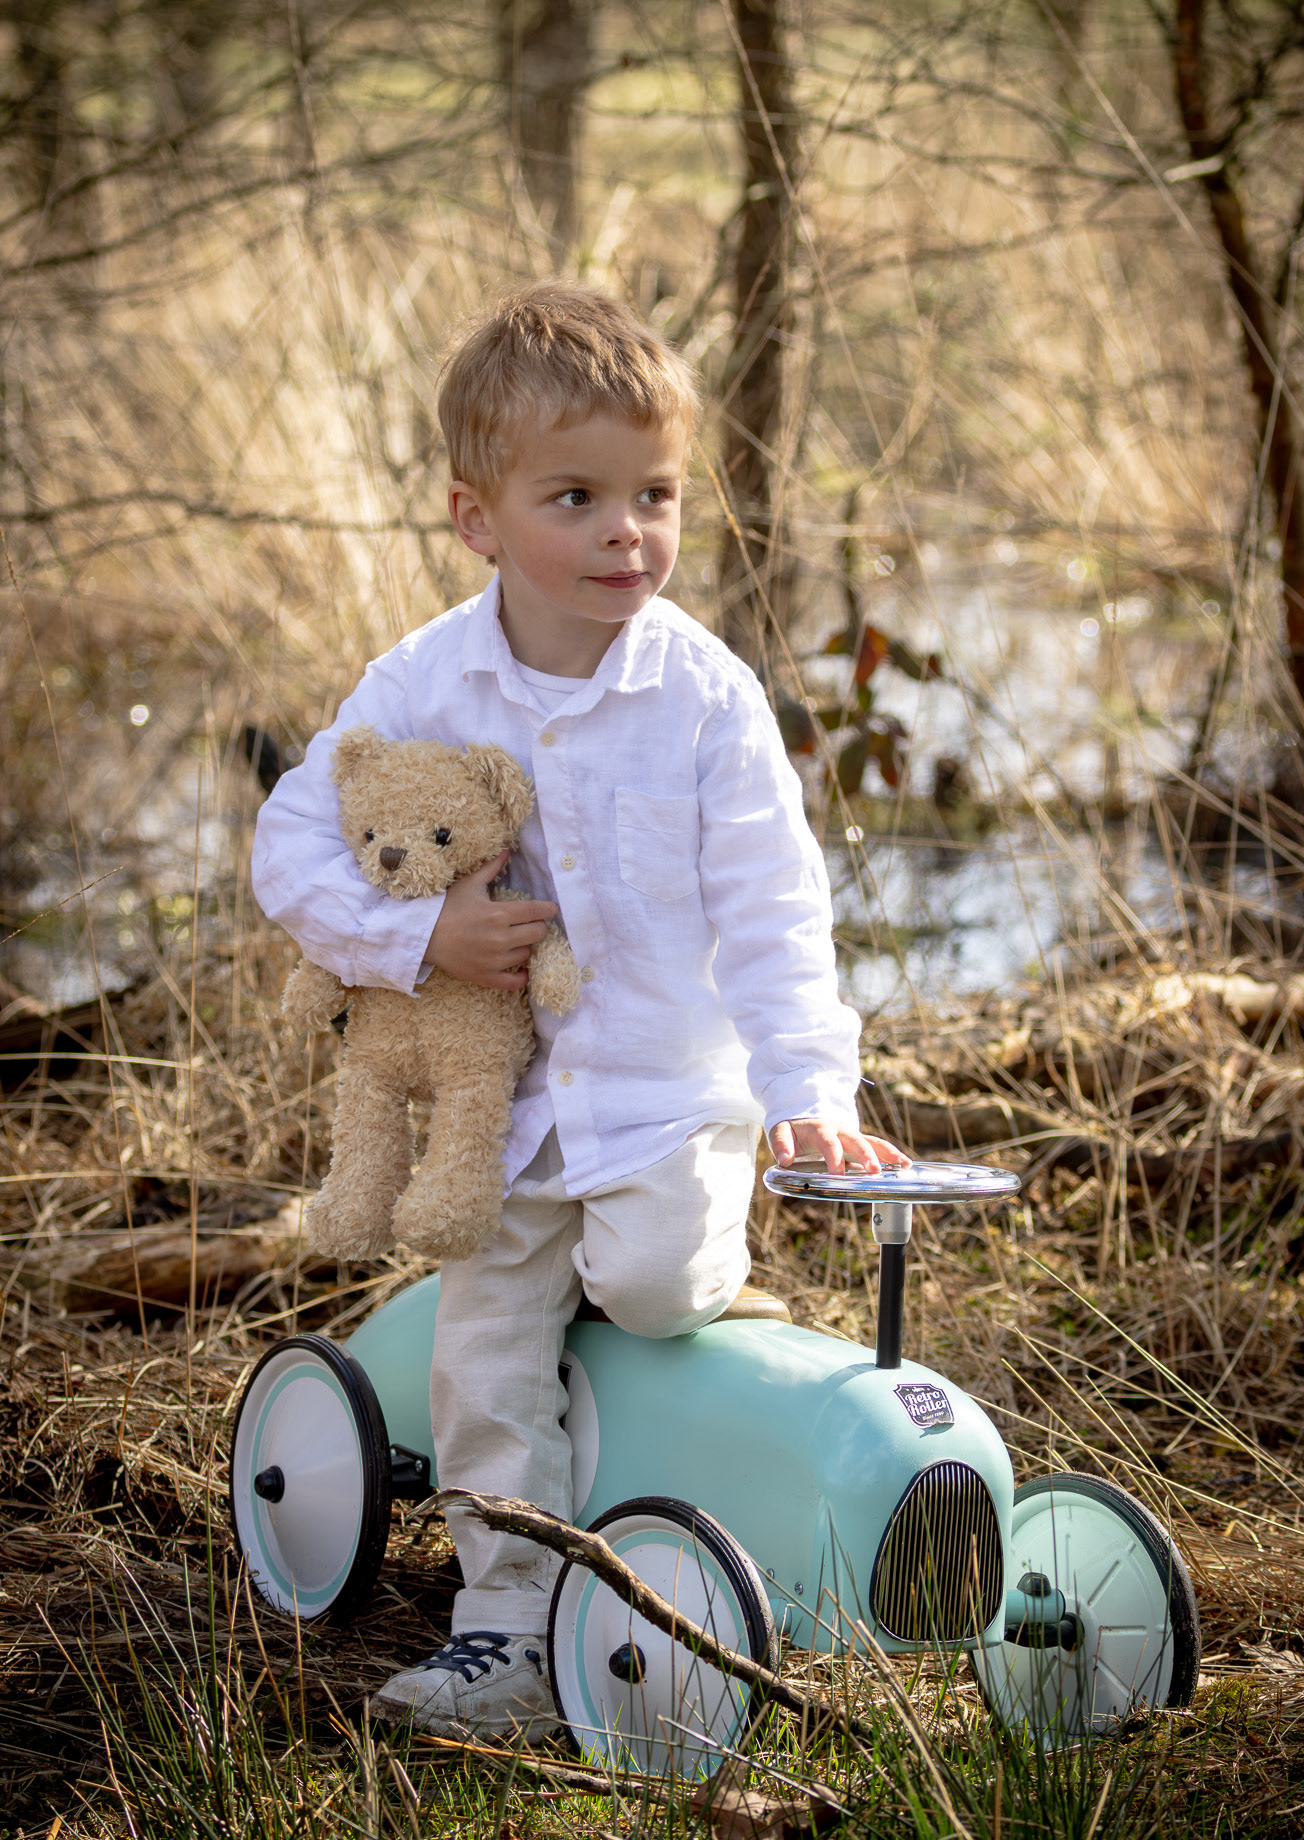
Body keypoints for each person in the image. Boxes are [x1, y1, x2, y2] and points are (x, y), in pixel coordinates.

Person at [251, 280, 907, 1742]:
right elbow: (289, 844)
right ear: (476, 518)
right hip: (503, 1113)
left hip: (666, 1092)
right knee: (487, 1356)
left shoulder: (706, 697)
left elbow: (774, 907)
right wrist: (421, 934)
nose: (629, 533)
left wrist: (808, 1089)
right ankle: (507, 1621)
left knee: (656, 1287)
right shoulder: (426, 680)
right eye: (578, 498)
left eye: (655, 495)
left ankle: (661, 1345)